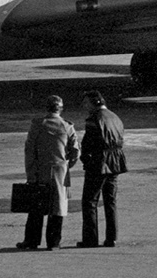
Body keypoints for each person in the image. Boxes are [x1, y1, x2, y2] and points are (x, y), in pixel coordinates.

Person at [17, 95, 77, 250]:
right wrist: (66, 165)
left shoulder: (37, 125)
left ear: (47, 108)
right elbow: (76, 151)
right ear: (61, 109)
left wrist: (30, 173)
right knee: (58, 207)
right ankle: (54, 242)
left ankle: (31, 241)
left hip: (40, 169)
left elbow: (29, 151)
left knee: (36, 207)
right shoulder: (67, 126)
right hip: (60, 171)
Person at [77, 89, 127, 248]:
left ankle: (90, 239)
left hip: (99, 161)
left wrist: (85, 159)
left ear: (94, 103)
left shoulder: (93, 119)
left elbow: (88, 143)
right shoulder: (115, 117)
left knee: (90, 201)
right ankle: (112, 238)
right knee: (110, 200)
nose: (84, 106)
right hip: (116, 161)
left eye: (86, 103)